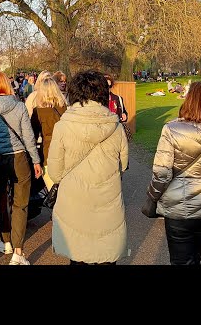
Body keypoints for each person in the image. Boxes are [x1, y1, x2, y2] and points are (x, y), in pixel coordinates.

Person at [47, 70, 129, 265]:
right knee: (106, 256)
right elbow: (123, 165)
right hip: (107, 201)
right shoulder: (116, 126)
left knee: (78, 256)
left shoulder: (63, 126)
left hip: (74, 204)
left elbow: (55, 172)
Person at [144, 81, 201, 265]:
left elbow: (162, 173)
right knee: (194, 258)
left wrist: (153, 196)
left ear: (189, 100)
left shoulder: (171, 129)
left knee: (180, 261)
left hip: (178, 207)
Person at [0, 71, 41, 265]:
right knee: (20, 203)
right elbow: (28, 137)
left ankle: (6, 240)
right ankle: (18, 251)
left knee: (0, 201)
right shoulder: (19, 107)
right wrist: (36, 160)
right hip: (18, 157)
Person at [30, 76, 67, 192]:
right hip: (66, 152)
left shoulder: (38, 111)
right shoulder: (64, 108)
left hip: (48, 153)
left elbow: (33, 136)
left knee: (53, 191)